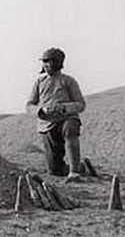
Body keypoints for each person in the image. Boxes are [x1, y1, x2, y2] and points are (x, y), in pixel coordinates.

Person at [26, 47, 86, 183]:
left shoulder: (68, 81)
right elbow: (29, 105)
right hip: (47, 125)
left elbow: (81, 104)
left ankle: (74, 172)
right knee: (54, 170)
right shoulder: (39, 82)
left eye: (49, 61)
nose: (46, 65)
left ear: (57, 63)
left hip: (66, 119)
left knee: (71, 129)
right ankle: (82, 167)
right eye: (44, 62)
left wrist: (64, 107)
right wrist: (41, 110)